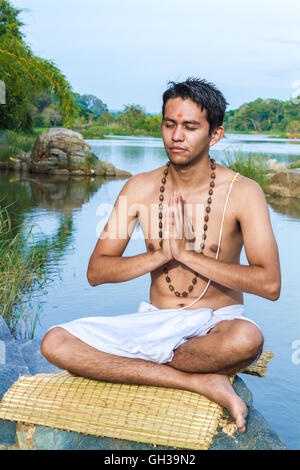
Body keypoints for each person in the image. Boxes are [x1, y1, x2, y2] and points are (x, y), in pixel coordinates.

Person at [41, 78, 281, 433]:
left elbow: (270, 283)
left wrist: (187, 255)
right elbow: (97, 271)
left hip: (217, 323)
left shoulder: (244, 192)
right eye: (169, 124)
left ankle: (143, 365)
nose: (176, 136)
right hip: (155, 322)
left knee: (247, 340)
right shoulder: (138, 187)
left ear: (215, 135)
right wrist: (158, 256)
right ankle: (194, 380)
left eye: (190, 127)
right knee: (55, 342)